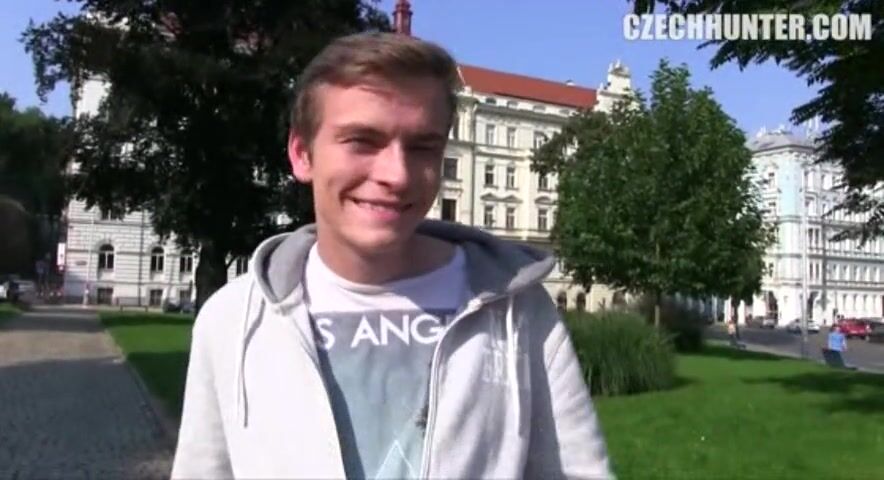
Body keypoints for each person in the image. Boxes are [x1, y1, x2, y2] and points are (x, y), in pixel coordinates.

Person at [170, 32, 613, 479]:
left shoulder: (521, 311)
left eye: (422, 147)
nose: (397, 175)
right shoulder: (232, 320)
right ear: (302, 154)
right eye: (363, 141)